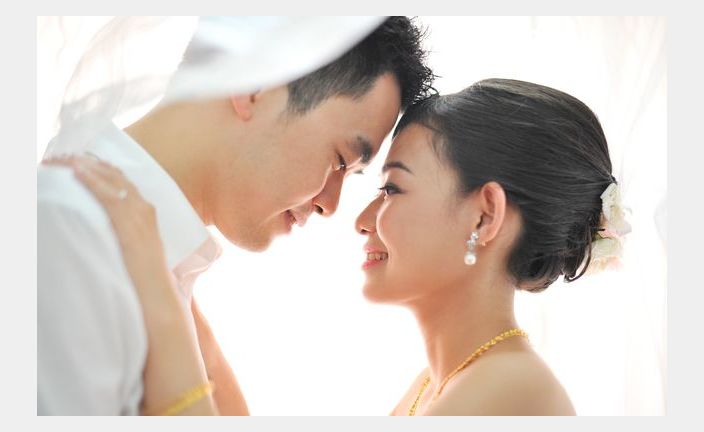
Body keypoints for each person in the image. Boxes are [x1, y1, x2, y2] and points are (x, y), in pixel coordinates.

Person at [59, 78, 630, 415]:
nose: (359, 220)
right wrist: (181, 300)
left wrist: (161, 306)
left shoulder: (509, 391)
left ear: (485, 215)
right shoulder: (446, 380)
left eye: (392, 189)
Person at [37, 16, 434, 415]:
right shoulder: (66, 233)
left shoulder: (156, 263)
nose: (329, 205)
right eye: (340, 160)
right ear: (255, 86)